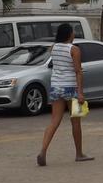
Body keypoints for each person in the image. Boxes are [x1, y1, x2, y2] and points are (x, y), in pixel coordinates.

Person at [37, 23, 93, 166]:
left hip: (56, 87)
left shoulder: (53, 48)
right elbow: (78, 71)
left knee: (54, 121)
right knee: (76, 121)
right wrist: (80, 93)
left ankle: (43, 151)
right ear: (69, 34)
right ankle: (79, 154)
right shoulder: (74, 49)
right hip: (71, 87)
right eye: (73, 32)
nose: (74, 34)